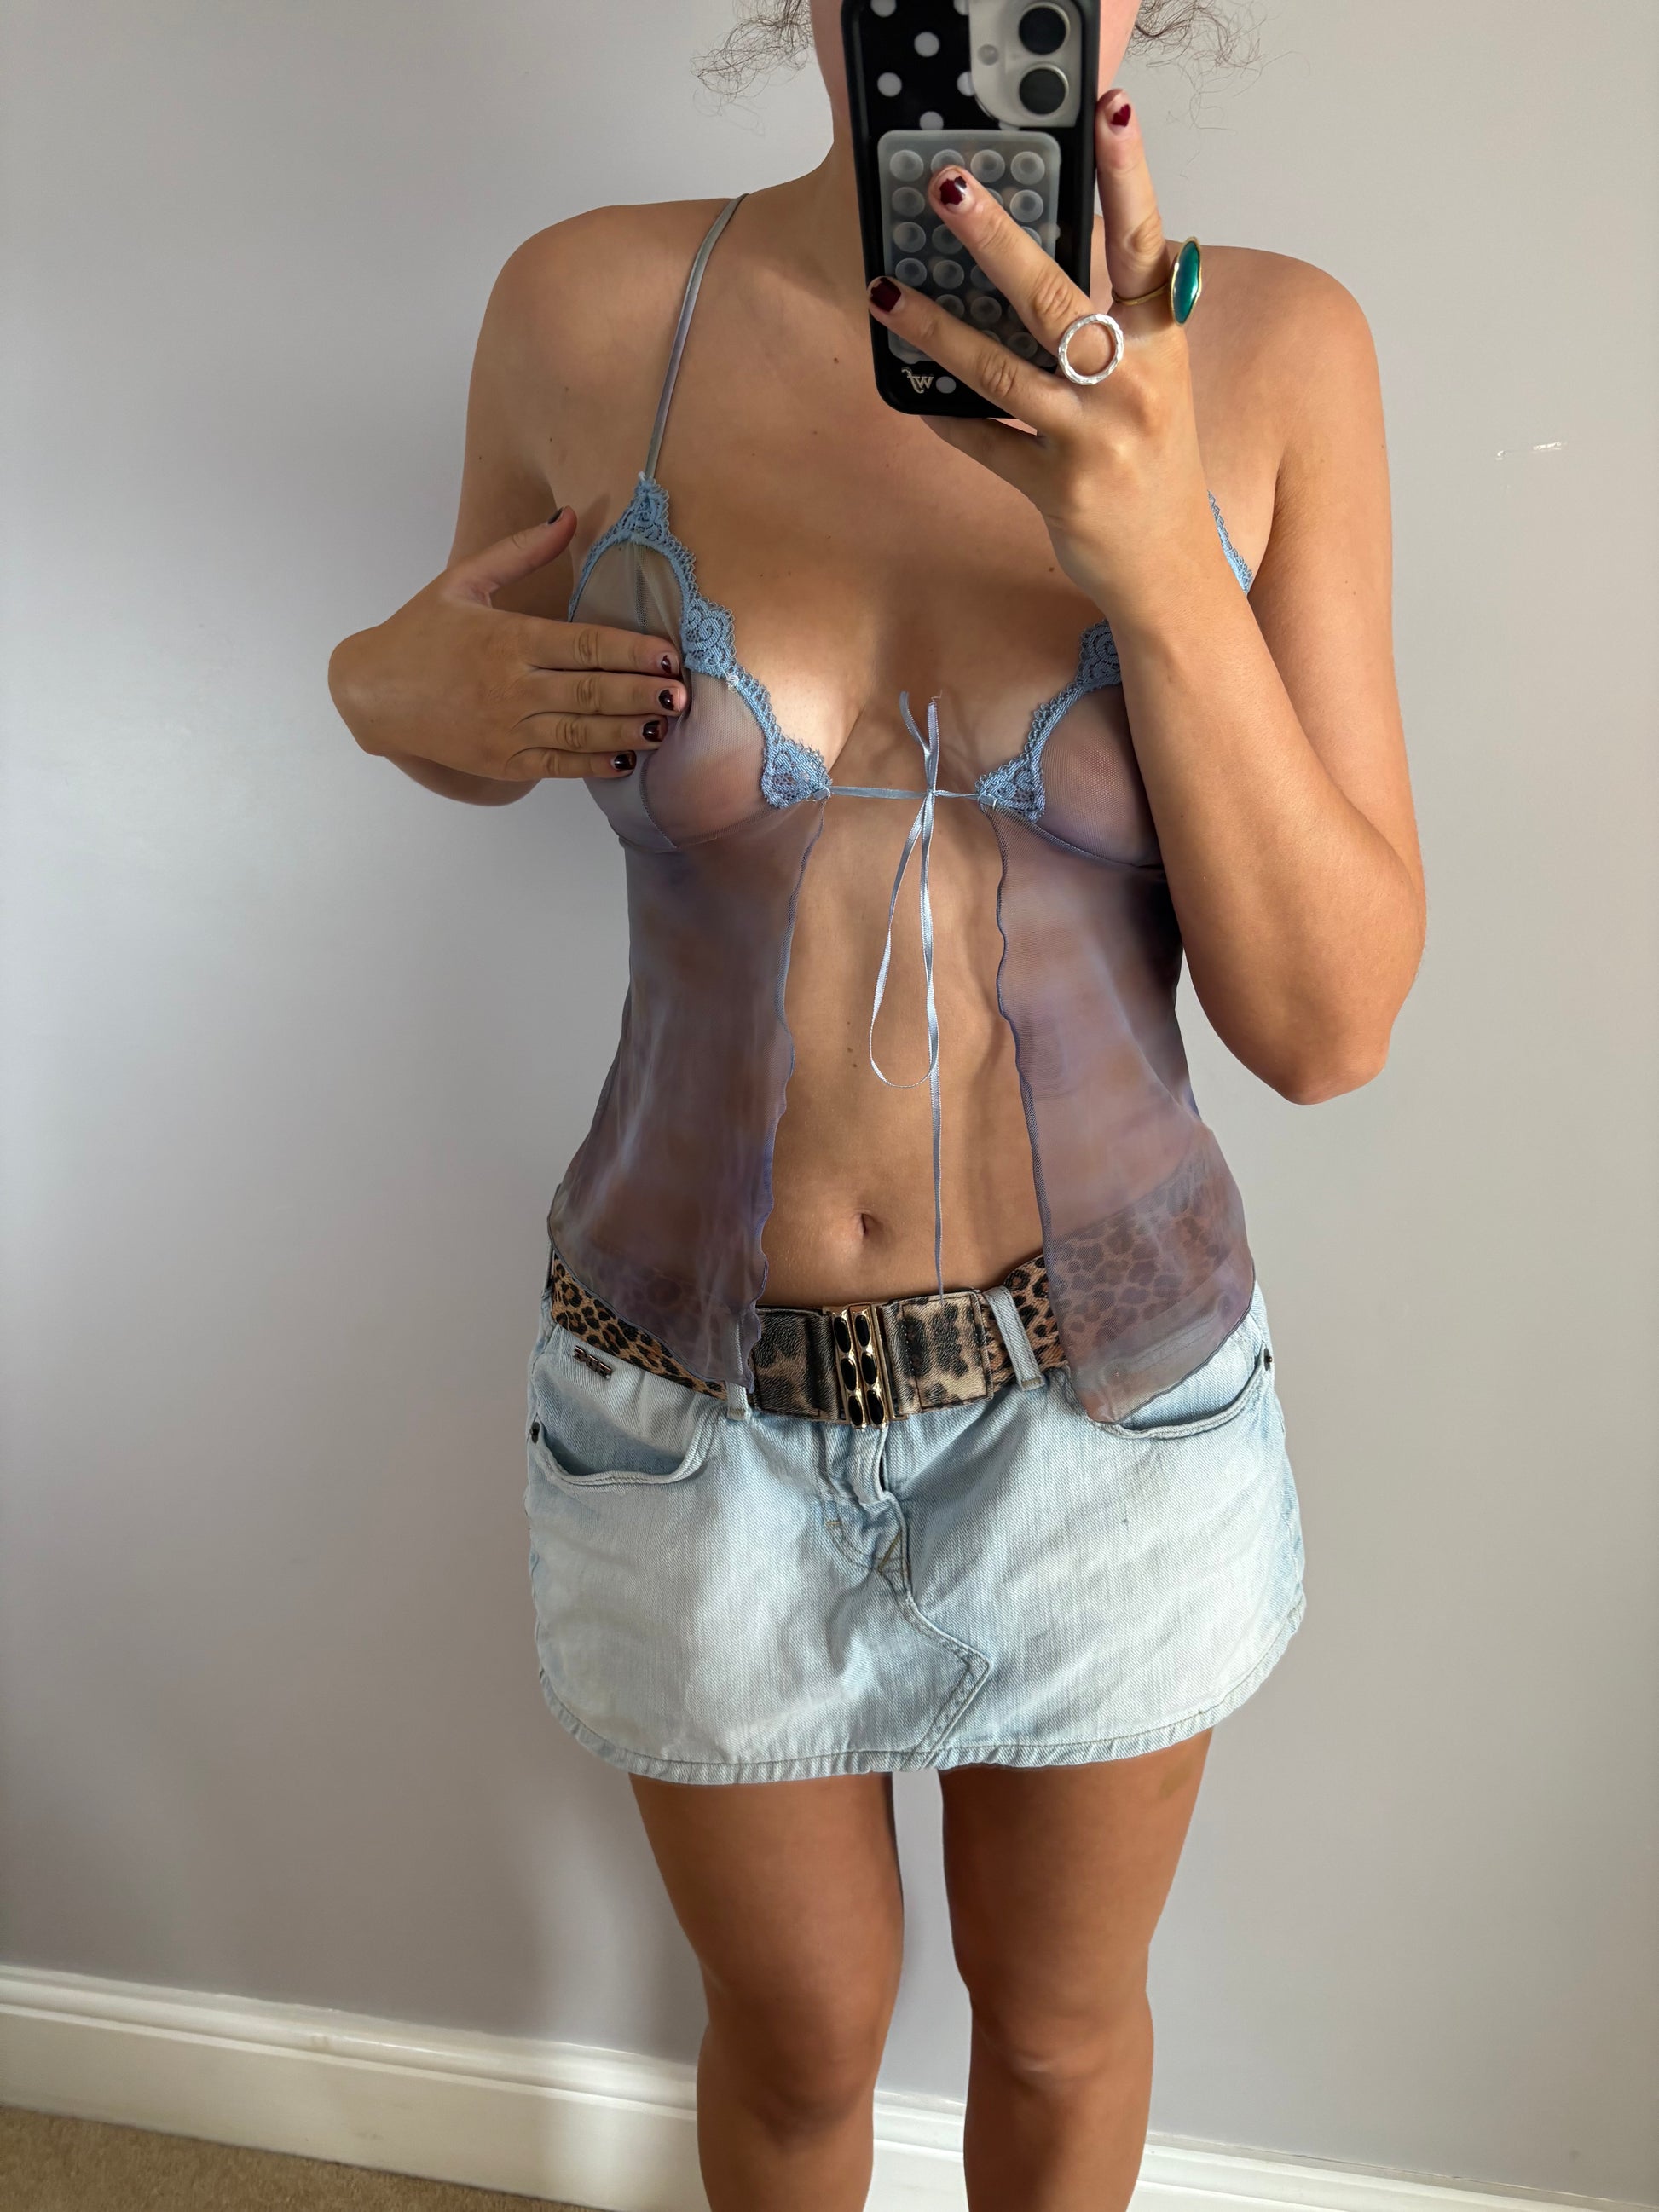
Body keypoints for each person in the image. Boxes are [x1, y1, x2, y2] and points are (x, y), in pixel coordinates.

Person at [327, 2, 1424, 2203]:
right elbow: (474, 695)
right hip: (679, 1405)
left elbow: (1326, 1026)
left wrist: (1155, 557)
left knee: (1061, 2025)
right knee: (795, 2040)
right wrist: (380, 689)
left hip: (1111, 1410)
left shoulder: (1276, 352)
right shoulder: (587, 311)